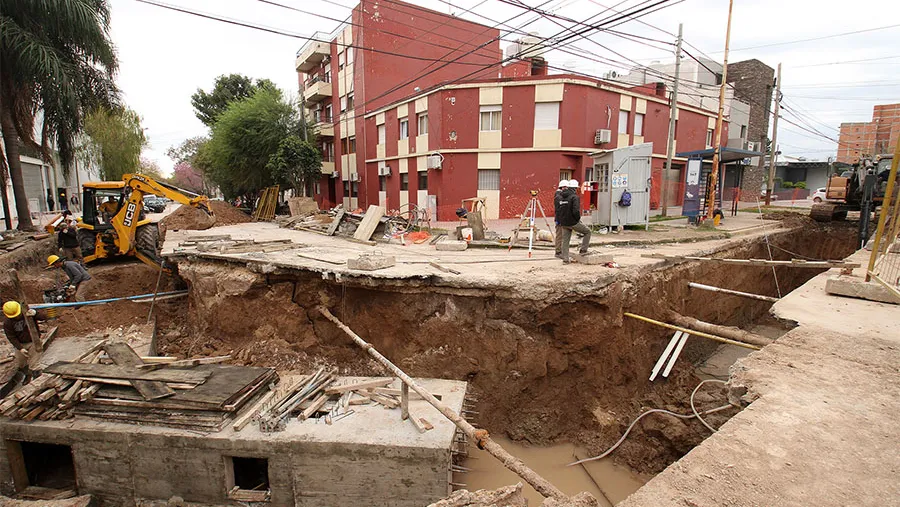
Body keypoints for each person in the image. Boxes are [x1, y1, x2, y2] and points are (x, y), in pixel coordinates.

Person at [555, 179, 592, 264]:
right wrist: (577, 219)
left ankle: (565, 259)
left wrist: (561, 220)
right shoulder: (574, 197)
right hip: (572, 222)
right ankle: (583, 250)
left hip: (564, 222)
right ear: (575, 188)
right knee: (587, 232)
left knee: (565, 241)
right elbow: (576, 210)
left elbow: (559, 210)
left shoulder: (560, 196)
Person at [553, 180, 568, 259]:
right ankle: (558, 252)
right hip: (560, 219)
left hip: (561, 219)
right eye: (566, 187)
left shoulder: (560, 195)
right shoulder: (559, 197)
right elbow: (559, 209)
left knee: (562, 236)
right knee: (559, 236)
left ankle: (560, 251)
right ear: (562, 187)